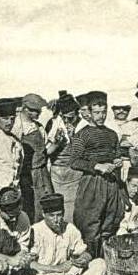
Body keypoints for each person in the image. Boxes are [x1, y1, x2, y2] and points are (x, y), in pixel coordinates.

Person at [21, 193, 108, 275]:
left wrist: (84, 258)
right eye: (52, 216)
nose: (57, 220)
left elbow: (83, 251)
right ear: (43, 214)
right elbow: (28, 263)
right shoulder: (35, 231)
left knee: (99, 263)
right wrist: (56, 269)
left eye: (59, 215)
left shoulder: (70, 229)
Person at [70, 91, 124, 257]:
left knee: (111, 220)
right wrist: (96, 166)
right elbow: (74, 161)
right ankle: (90, 261)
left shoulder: (111, 134)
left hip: (111, 183)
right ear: (89, 112)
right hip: (92, 183)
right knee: (90, 223)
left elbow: (116, 153)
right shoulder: (82, 135)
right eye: (97, 113)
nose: (101, 116)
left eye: (104, 112)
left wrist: (117, 161)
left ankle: (105, 261)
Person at [11, 93, 54, 222]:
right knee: (30, 208)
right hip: (27, 175)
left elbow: (45, 151)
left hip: (42, 173)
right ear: (25, 109)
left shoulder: (39, 127)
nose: (39, 113)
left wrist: (57, 143)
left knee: (46, 205)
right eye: (36, 110)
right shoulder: (16, 126)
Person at [46, 93, 83, 223]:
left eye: (70, 118)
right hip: (57, 172)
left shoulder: (82, 125)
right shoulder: (54, 124)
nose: (67, 121)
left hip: (75, 172)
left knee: (73, 207)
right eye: (64, 117)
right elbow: (47, 151)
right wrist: (57, 143)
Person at [0, 186, 32, 251]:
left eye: (16, 215)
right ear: (1, 210)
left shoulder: (23, 218)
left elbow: (23, 245)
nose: (14, 219)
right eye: (11, 216)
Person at [117, 167, 138, 236]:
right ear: (127, 182)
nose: (136, 190)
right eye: (133, 186)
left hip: (135, 232)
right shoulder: (118, 197)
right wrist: (134, 224)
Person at [110, 103, 135, 181]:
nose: (121, 111)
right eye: (118, 108)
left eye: (125, 109)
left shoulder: (135, 125)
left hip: (130, 163)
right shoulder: (107, 125)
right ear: (113, 109)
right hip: (112, 163)